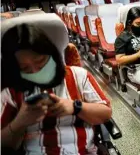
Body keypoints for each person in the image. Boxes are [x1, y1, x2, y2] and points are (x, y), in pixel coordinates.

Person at [1, 23, 112, 154]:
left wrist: (76, 107)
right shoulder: (11, 91)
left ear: (52, 55)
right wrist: (19, 122)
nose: (35, 71)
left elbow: (105, 114)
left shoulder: (78, 76)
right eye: (25, 68)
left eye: (40, 61)